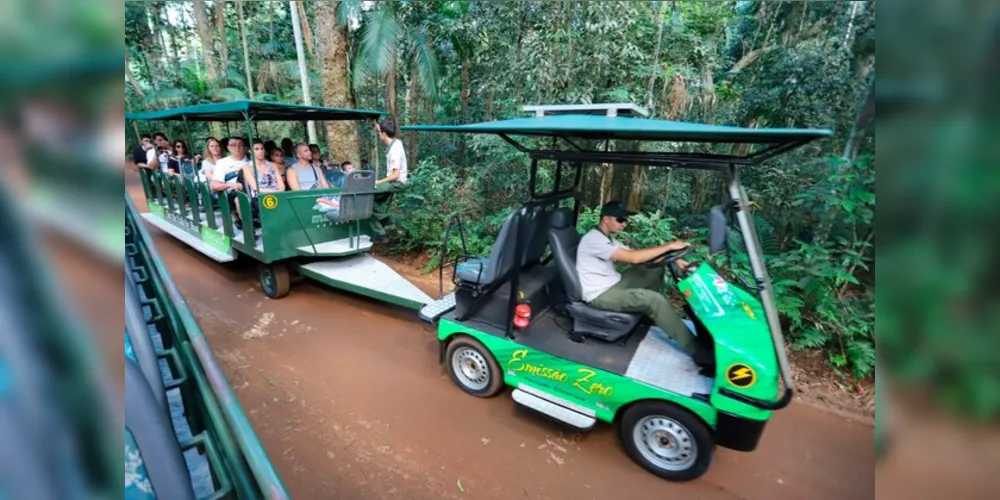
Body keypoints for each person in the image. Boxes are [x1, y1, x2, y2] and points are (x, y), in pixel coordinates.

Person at [576, 201, 709, 366]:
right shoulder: (593, 239)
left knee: (655, 269)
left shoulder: (607, 238)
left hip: (613, 283)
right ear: (605, 219)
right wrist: (668, 246)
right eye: (620, 219)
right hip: (600, 294)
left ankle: (646, 316)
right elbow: (634, 259)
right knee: (654, 300)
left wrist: (676, 259)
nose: (624, 223)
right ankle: (698, 351)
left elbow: (635, 253)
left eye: (625, 220)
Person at [371, 118, 407, 242]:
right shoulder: (396, 142)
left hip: (396, 183)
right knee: (366, 202)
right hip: (393, 182)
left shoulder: (394, 150)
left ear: (384, 133)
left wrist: (379, 182)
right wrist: (375, 123)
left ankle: (383, 218)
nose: (378, 134)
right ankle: (381, 234)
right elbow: (381, 129)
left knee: (364, 195)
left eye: (379, 132)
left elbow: (396, 174)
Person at [210, 137, 251, 229]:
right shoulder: (222, 163)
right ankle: (247, 227)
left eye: (240, 145)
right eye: (233, 145)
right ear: (228, 147)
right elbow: (214, 185)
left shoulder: (251, 160)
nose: (237, 147)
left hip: (253, 188)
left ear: (245, 147)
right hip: (234, 191)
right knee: (240, 199)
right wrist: (230, 185)